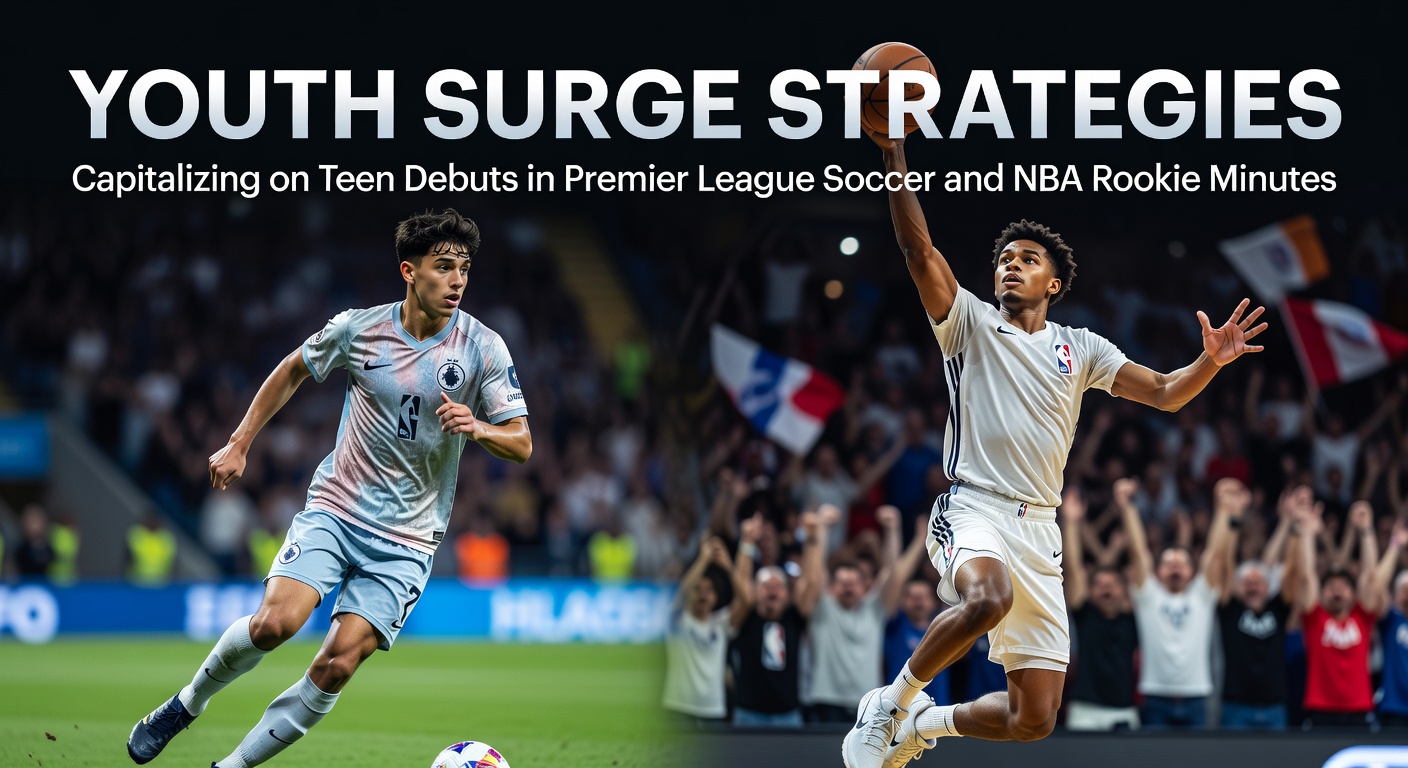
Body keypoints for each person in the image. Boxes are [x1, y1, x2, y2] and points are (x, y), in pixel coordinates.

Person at [843, 131, 1268, 768]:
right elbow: (917, 248)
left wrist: (1210, 361)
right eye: (1004, 258)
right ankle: (893, 701)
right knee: (988, 600)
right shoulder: (968, 323)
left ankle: (926, 724)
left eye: (1028, 258)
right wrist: (893, 153)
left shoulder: (1083, 347)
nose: (1010, 265)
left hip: (1040, 528)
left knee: (1033, 718)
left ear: (1055, 282)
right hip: (974, 506)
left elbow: (1166, 393)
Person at [126, 209, 531, 768]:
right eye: (443, 267)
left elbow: (522, 441)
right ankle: (184, 704)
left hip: (409, 540)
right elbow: (292, 368)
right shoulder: (359, 329)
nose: (458, 279)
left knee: (335, 665)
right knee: (274, 625)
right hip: (337, 510)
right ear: (408, 271)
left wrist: (479, 426)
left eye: (464, 268)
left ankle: (232, 766)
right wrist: (240, 442)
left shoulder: (483, 348)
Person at [1121, 476, 1237, 728]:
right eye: (1168, 563)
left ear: (1192, 572)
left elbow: (1215, 554)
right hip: (1155, 697)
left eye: (1182, 563)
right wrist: (1127, 507)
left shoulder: (1202, 595)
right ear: (1157, 572)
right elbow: (1139, 552)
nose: (1175, 566)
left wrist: (1223, 509)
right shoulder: (1148, 595)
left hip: (1197, 697)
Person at [1294, 496, 1391, 729]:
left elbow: (1370, 577)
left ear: (1353, 593)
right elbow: (1306, 576)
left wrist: (1366, 530)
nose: (1337, 588)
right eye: (1330, 585)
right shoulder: (1315, 617)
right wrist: (1307, 534)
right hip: (1320, 710)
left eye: (1344, 585)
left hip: (1359, 709)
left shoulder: (1362, 616)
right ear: (1322, 593)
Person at [728, 509, 824, 727]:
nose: (773, 589)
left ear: (788, 595)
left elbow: (810, 584)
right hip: (748, 713)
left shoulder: (794, 618)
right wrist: (746, 541)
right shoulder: (746, 618)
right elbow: (741, 586)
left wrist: (812, 540)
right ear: (755, 592)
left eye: (778, 585)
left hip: (788, 714)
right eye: (766, 586)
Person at [1059, 486, 1139, 732]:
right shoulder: (1085, 615)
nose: (1106, 589)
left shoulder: (1135, 618)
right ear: (1090, 592)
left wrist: (1126, 509)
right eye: (1100, 585)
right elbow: (1072, 568)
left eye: (1113, 585)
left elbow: (1140, 559)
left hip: (1124, 710)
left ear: (1125, 593)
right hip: (1085, 711)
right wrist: (1071, 522)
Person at [662, 531, 751, 726]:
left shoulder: (720, 624)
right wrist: (703, 560)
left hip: (712, 710)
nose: (703, 595)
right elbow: (682, 594)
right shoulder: (678, 622)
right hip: (679, 709)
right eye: (698, 589)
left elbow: (746, 601)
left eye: (709, 590)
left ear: (716, 597)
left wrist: (728, 566)